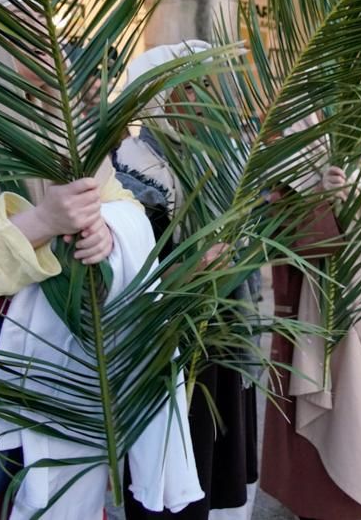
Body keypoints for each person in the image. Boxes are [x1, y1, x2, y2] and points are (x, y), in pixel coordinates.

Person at [0, 0, 152, 518]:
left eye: (49, 43)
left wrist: (106, 231)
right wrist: (41, 222)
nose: (48, 60)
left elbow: (117, 200)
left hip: (50, 352)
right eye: (29, 43)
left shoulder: (53, 123)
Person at [112, 42, 262, 519]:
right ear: (158, 97)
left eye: (207, 85)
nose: (203, 98)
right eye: (188, 87)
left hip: (219, 330)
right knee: (172, 461)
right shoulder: (133, 167)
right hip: (170, 340)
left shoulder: (217, 158)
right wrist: (195, 265)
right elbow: (134, 268)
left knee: (211, 458)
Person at [260, 147, 361, 520]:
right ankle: (316, 506)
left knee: (359, 418)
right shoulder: (295, 154)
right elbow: (274, 235)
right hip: (314, 316)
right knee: (328, 432)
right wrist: (319, 201)